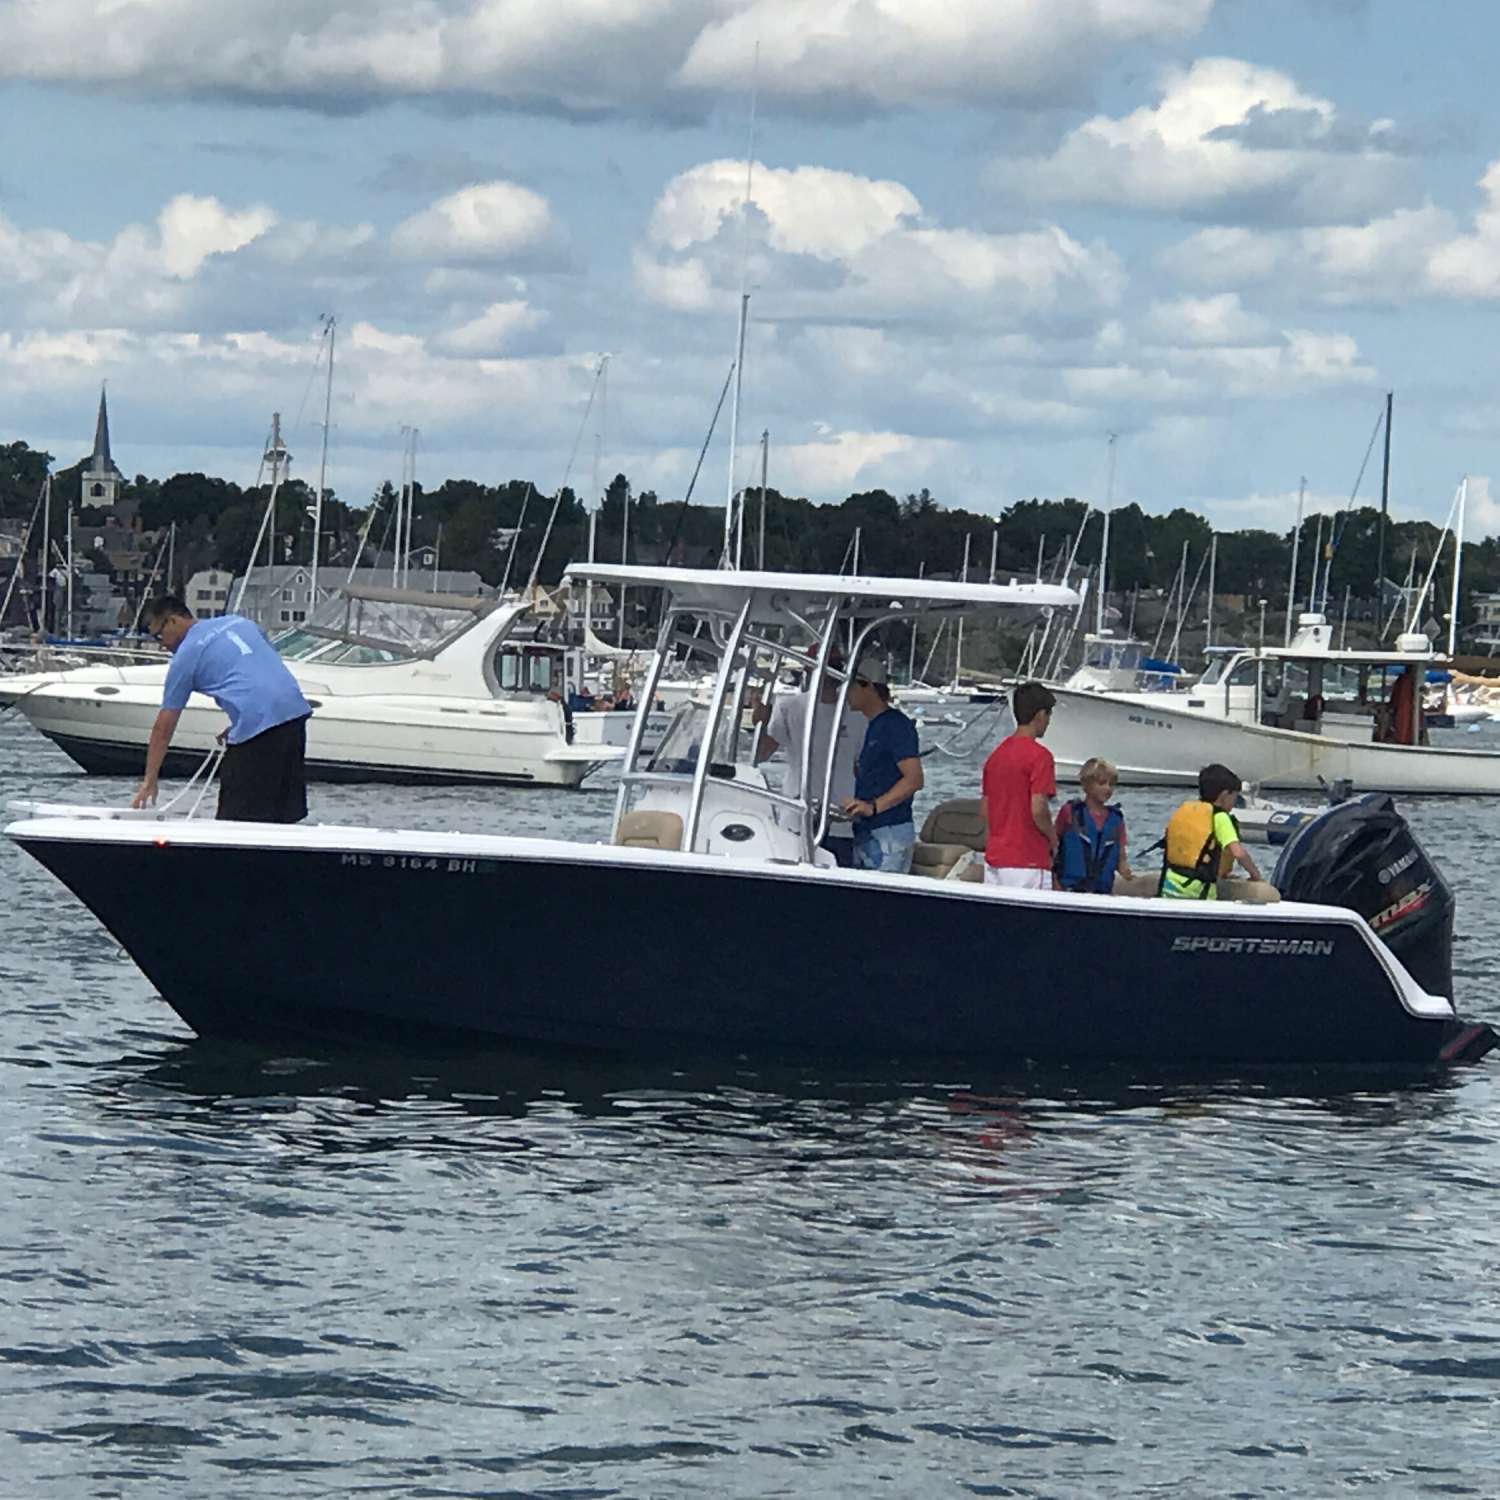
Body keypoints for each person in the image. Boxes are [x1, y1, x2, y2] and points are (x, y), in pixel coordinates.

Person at [131, 594, 313, 823]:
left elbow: (164, 726)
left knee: (236, 819)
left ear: (173, 621)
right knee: (283, 813)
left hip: (260, 726)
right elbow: (258, 672)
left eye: (158, 636)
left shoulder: (186, 655)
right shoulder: (240, 623)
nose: (162, 645)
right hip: (294, 715)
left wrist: (150, 780)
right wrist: (241, 721)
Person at [752, 646, 867, 867]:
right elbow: (761, 754)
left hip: (842, 817)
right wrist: (762, 722)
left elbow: (861, 766)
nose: (832, 671)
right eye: (828, 665)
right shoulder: (788, 707)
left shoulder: (856, 713)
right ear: (810, 668)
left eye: (836, 665)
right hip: (796, 813)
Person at [842, 656, 923, 873]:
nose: (845, 692)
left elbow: (914, 779)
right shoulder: (872, 726)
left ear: (866, 686)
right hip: (869, 831)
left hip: (889, 833)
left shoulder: (896, 725)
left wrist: (874, 807)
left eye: (849, 686)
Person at [981, 681, 1057, 889]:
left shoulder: (996, 756)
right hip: (1028, 858)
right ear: (1040, 715)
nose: (1049, 722)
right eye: (1049, 715)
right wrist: (1053, 838)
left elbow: (986, 808)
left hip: (996, 858)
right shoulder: (1040, 757)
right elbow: (1038, 808)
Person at [1159, 762, 1263, 899]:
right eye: (1234, 797)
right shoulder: (1220, 817)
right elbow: (1239, 853)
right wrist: (1256, 876)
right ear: (1225, 795)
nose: (1234, 803)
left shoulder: (1187, 811)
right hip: (1198, 892)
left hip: (1168, 886)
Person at [1053, 756, 1133, 894]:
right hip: (1069, 890)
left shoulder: (1116, 819)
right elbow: (1052, 847)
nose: (1107, 788)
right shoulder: (1070, 812)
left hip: (1101, 892)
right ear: (1086, 785)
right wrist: (1054, 882)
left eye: (1111, 784)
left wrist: (1127, 873)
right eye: (1102, 783)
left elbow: (1121, 859)